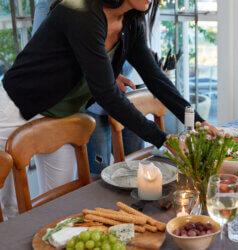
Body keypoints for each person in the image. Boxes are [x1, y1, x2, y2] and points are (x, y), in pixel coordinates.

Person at [0, 0, 217, 219]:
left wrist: (197, 121)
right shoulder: (81, 11)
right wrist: (164, 139)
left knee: (57, 208)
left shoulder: (130, 23)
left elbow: (156, 79)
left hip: (60, 115)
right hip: (15, 106)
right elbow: (107, 94)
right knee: (11, 209)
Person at [32, 0, 145, 176]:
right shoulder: (55, 7)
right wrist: (101, 73)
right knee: (98, 176)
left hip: (120, 92)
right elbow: (47, 62)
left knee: (138, 171)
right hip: (81, 105)